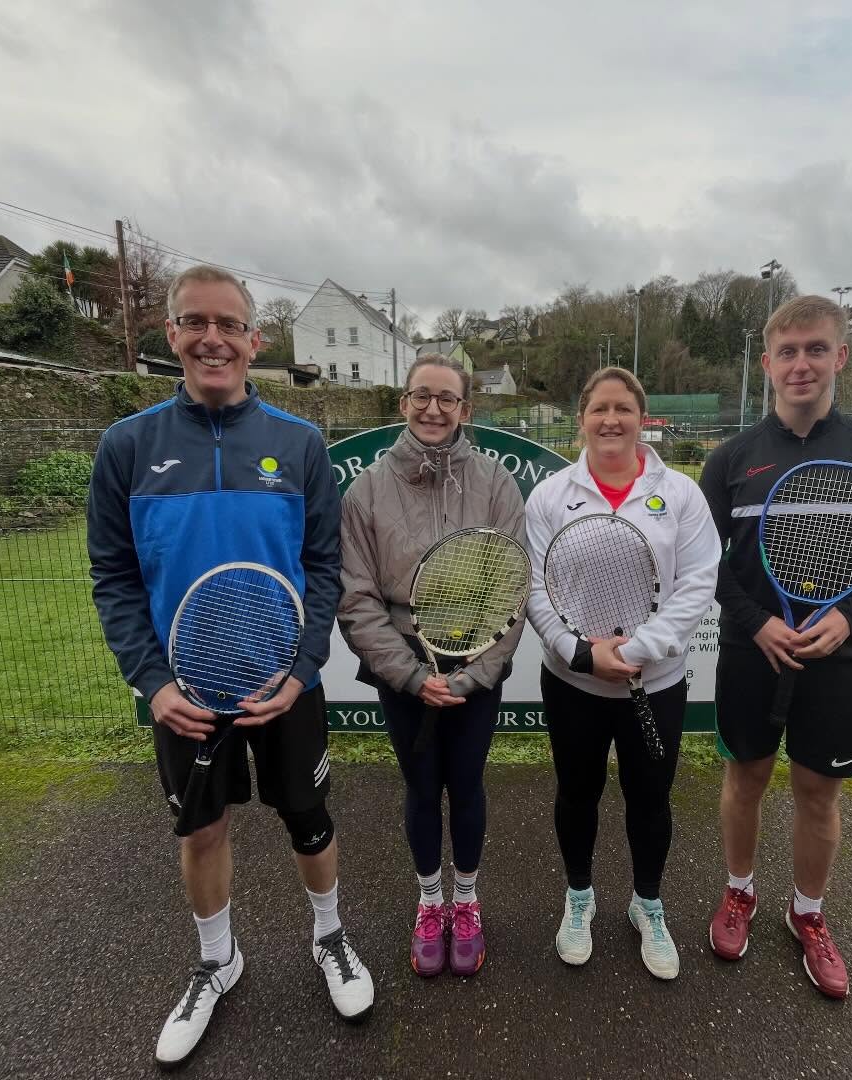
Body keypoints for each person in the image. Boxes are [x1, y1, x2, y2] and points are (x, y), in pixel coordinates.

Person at [87, 266, 373, 1069]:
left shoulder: (299, 444)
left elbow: (325, 567)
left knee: (309, 822)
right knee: (202, 828)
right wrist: (153, 681)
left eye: (228, 323)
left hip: (286, 685)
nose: (212, 337)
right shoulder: (127, 446)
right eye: (194, 322)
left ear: (255, 339)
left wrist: (301, 666)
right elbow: (112, 575)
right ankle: (217, 961)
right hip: (185, 694)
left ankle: (330, 940)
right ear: (170, 335)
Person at [700, 295, 852, 999]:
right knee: (746, 780)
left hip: (839, 655)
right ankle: (740, 892)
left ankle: (808, 913)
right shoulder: (732, 458)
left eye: (816, 350)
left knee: (818, 794)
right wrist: (758, 622)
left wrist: (849, 615)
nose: (802, 365)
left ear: (841, 357)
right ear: (766, 364)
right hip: (749, 651)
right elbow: (701, 561)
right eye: (788, 352)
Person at [524, 367, 719, 980]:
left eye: (623, 409)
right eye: (599, 409)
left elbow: (698, 583)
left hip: (655, 685)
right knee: (577, 795)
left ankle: (647, 904)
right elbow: (534, 587)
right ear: (581, 418)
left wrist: (639, 650)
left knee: (650, 799)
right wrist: (580, 652)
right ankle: (578, 899)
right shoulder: (551, 495)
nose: (611, 420)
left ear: (642, 418)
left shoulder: (681, 493)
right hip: (572, 683)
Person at [337, 354, 527, 979]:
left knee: (467, 787)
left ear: (466, 409)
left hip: (476, 670)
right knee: (421, 789)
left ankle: (466, 901)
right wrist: (412, 675)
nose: (434, 409)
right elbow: (357, 597)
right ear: (404, 402)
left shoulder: (497, 484)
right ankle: (429, 903)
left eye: (448, 399)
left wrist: (474, 674)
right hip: (406, 675)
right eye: (423, 395)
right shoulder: (366, 490)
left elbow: (513, 585)